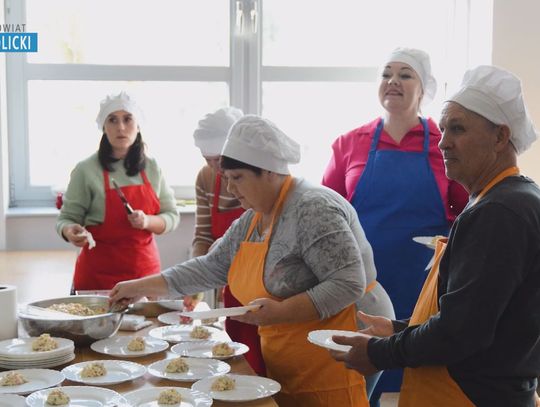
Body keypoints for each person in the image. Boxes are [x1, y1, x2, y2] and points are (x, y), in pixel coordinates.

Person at [110, 115, 394, 407]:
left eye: (237, 178)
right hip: (296, 345)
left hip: (345, 336)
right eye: (227, 179)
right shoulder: (255, 217)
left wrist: (280, 312)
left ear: (269, 172)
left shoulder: (313, 208)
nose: (231, 190)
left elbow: (348, 283)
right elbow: (212, 266)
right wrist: (139, 286)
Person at [330, 65, 540, 407]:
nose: (443, 142)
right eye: (443, 129)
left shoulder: (499, 213)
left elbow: (461, 333)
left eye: (457, 129)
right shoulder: (498, 200)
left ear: (501, 137)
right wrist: (399, 330)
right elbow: (476, 314)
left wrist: (379, 353)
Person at [322, 46, 468, 403]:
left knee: (421, 381)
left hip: (425, 285)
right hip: (363, 283)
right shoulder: (349, 144)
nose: (393, 82)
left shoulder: (445, 144)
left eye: (405, 75)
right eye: (387, 73)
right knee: (362, 378)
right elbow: (327, 214)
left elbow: (469, 214)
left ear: (424, 88)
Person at [56, 91, 179, 291]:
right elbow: (66, 219)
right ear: (103, 127)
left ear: (138, 125)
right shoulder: (86, 169)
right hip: (97, 278)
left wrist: (147, 221)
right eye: (112, 120)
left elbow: (172, 216)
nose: (121, 127)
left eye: (127, 119)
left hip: (144, 277)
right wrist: (69, 231)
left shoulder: (153, 167)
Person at [191, 106, 265, 376]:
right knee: (237, 363)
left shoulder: (259, 175)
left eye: (218, 158)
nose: (215, 167)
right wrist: (195, 276)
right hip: (232, 289)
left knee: (266, 365)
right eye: (207, 159)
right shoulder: (205, 177)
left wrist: (223, 248)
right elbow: (202, 236)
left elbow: (263, 231)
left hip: (265, 287)